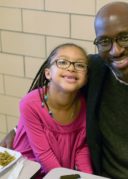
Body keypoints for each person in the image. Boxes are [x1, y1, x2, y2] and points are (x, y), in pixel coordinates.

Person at [1, 2, 128, 178]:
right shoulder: (94, 68)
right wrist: (18, 129)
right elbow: (50, 95)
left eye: (124, 38)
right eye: (104, 41)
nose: (115, 50)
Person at [12, 43, 93, 177]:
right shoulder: (30, 104)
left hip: (61, 171)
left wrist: (88, 176)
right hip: (29, 171)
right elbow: (43, 155)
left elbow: (81, 148)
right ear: (48, 73)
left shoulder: (84, 105)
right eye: (62, 62)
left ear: (86, 78)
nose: (71, 68)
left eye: (80, 65)